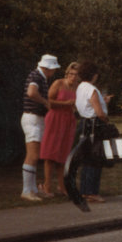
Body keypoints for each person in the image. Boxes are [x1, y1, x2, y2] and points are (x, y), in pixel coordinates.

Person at [20, 54, 60, 201]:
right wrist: (45, 102)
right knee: (33, 155)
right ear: (48, 68)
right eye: (53, 69)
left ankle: (32, 189)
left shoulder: (40, 77)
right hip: (33, 118)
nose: (54, 72)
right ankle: (26, 190)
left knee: (35, 156)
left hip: (36, 118)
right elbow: (31, 93)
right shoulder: (36, 76)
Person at [74, 61, 114, 203]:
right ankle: (92, 192)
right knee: (95, 157)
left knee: (86, 157)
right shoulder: (92, 89)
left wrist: (104, 102)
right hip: (94, 125)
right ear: (94, 75)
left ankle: (85, 190)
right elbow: (99, 112)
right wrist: (106, 119)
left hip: (84, 123)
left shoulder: (80, 87)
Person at [39, 62, 80, 197]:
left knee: (63, 155)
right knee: (50, 153)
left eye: (76, 74)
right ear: (67, 73)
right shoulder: (58, 83)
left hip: (68, 121)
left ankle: (62, 187)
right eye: (71, 74)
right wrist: (65, 103)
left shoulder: (77, 88)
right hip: (55, 118)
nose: (73, 77)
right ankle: (47, 186)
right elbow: (48, 101)